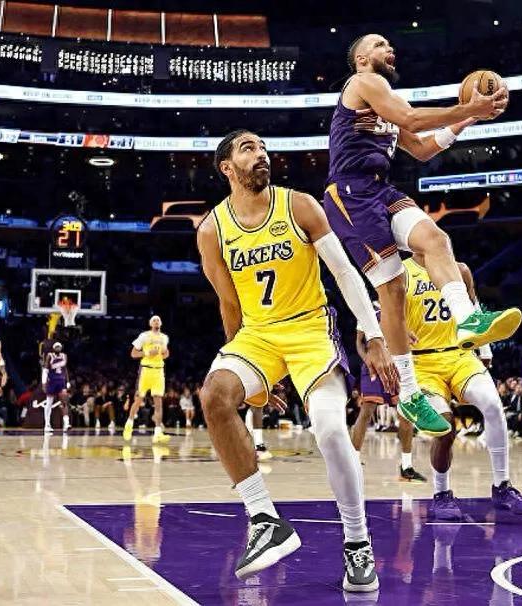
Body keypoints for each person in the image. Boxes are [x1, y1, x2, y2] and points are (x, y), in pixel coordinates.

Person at [197, 129, 398, 591]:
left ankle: (357, 542)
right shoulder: (211, 230)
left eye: (263, 147)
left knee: (330, 430)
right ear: (227, 167)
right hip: (257, 337)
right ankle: (264, 520)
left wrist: (373, 334)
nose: (261, 154)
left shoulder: (300, 205)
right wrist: (246, 374)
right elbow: (229, 305)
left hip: (310, 329)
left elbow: (344, 273)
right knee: (214, 395)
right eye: (248, 148)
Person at [323, 34, 520, 436]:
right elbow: (412, 119)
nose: (389, 48)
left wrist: (467, 120)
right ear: (361, 58)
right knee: (393, 289)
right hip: (350, 194)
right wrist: (470, 106)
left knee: (437, 241)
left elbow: (421, 148)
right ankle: (410, 393)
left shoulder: (385, 99)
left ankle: (468, 319)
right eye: (380, 44)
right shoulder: (363, 82)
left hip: (380, 189)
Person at [379, 253, 522, 520]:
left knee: (493, 404)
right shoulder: (401, 273)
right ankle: (441, 494)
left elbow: (474, 308)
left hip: (459, 355)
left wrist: (484, 349)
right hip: (421, 362)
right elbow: (384, 315)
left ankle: (502, 487)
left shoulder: (460, 270)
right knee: (445, 428)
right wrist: (392, 332)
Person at [349, 311, 428, 483]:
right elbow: (359, 342)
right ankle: (353, 460)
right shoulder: (369, 310)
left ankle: (406, 467)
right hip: (374, 366)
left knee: (406, 414)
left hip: (397, 366)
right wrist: (367, 359)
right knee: (366, 412)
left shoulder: (401, 311)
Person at [124, 316, 170, 443]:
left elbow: (166, 353)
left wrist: (162, 354)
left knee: (158, 403)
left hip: (159, 371)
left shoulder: (164, 338)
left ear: (161, 323)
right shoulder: (144, 336)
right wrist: (148, 353)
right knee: (138, 400)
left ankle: (157, 433)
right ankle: (129, 424)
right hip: (146, 371)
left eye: (158, 320)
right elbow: (133, 354)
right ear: (150, 324)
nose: (156, 321)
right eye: (154, 320)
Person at [43, 342, 71, 433]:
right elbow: (45, 370)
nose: (58, 348)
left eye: (59, 347)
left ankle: (66, 423)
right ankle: (47, 424)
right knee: (49, 403)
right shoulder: (50, 356)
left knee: (64, 401)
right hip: (52, 381)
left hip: (61, 381)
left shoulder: (64, 356)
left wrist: (67, 381)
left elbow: (65, 369)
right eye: (56, 347)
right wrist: (44, 383)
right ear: (53, 348)